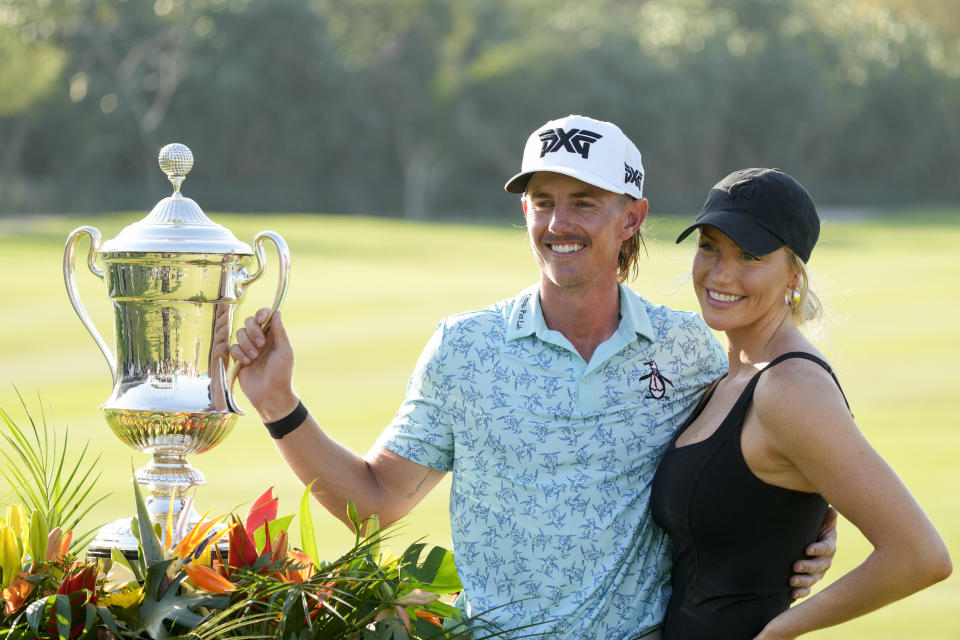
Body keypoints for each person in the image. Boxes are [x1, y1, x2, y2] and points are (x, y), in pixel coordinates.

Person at [229, 116, 836, 639]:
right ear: (525, 210)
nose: (558, 223)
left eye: (584, 203)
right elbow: (378, 502)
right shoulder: (463, 349)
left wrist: (810, 532)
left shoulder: (686, 350)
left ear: (632, 218)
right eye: (543, 201)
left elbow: (764, 455)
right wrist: (279, 403)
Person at [650, 168, 952, 639]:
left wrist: (778, 632)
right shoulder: (730, 374)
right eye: (709, 246)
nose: (720, 272)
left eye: (749, 255)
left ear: (794, 274)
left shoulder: (790, 387)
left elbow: (919, 555)